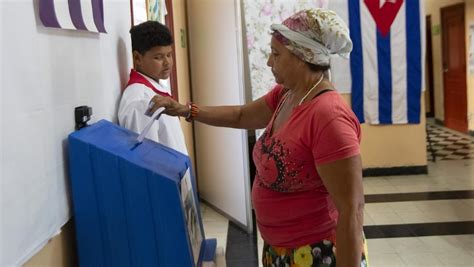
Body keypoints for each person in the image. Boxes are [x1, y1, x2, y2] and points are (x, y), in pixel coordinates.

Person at [150, 9, 367, 267]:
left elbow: (352, 212)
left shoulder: (329, 117)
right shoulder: (287, 95)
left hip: (317, 253)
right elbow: (241, 116)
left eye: (276, 54)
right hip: (280, 249)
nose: (269, 62)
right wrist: (187, 110)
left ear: (303, 56)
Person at [118, 21, 188, 155]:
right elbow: (146, 158)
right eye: (158, 57)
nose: (167, 63)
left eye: (169, 55)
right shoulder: (139, 101)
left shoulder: (155, 88)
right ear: (137, 58)